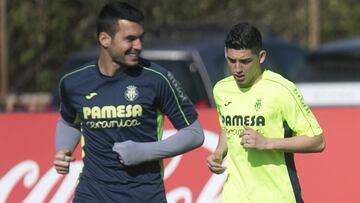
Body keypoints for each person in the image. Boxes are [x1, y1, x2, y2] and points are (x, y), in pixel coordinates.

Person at [53, 2, 204, 202]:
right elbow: (68, 121)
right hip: (91, 195)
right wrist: (63, 149)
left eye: (141, 38)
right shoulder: (73, 83)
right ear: (105, 39)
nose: (138, 46)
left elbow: (194, 134)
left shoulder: (157, 78)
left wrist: (145, 151)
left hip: (145, 195)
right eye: (130, 39)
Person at [206, 22, 326, 203]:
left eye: (245, 61)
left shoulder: (282, 89)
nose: (237, 68)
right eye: (232, 60)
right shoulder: (221, 90)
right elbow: (228, 128)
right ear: (225, 53)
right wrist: (219, 152)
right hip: (234, 196)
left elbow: (317, 141)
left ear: (261, 57)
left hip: (277, 197)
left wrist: (267, 143)